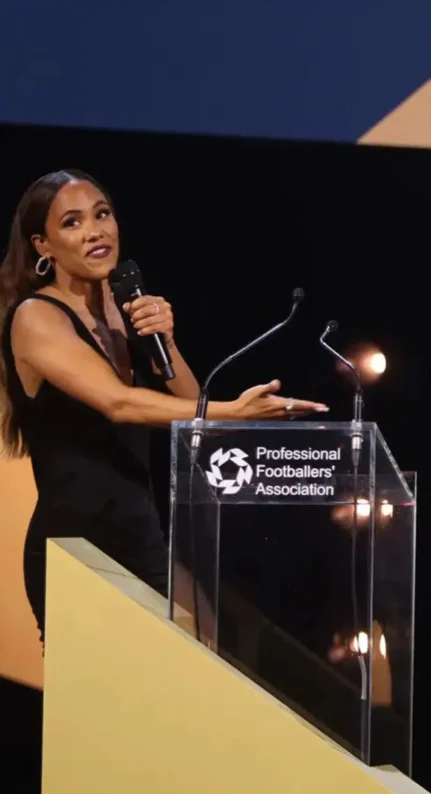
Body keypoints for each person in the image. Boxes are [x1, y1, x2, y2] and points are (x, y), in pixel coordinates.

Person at [0, 169, 327, 644]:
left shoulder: (125, 310)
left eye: (102, 214)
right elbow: (119, 404)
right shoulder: (36, 317)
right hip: (74, 545)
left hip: (142, 535)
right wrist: (235, 410)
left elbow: (190, 407)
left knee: (193, 663)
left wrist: (165, 344)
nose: (95, 231)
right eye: (72, 223)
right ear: (42, 245)